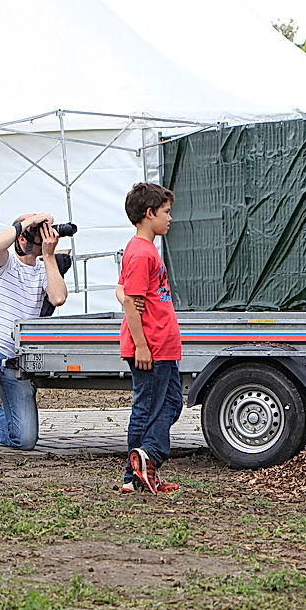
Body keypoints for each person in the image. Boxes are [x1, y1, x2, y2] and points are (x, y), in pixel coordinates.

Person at [0, 213, 69, 452]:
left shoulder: (44, 269)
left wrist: (48, 255)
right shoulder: (6, 263)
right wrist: (27, 222)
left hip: (15, 360)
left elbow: (58, 297)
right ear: (23, 238)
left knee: (25, 440)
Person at [118, 182, 183, 494]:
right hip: (151, 346)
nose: (170, 218)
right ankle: (138, 471)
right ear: (149, 213)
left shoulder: (143, 249)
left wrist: (127, 297)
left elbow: (124, 291)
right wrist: (141, 345)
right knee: (146, 408)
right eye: (166, 212)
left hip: (162, 344)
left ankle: (145, 467)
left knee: (171, 403)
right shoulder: (142, 253)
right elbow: (130, 300)